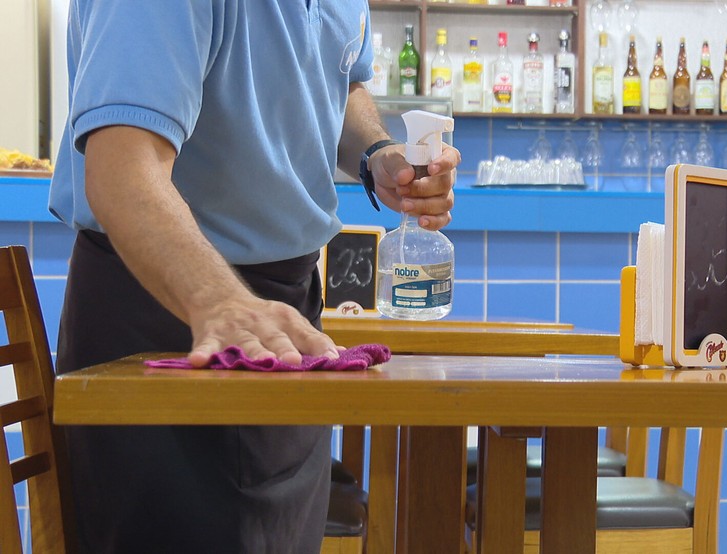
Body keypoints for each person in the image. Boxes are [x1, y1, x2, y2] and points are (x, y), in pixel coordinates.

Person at [48, 2, 458, 552]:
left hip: (284, 314)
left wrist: (378, 153)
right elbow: (122, 169)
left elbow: (337, 79)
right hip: (167, 312)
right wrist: (218, 303)